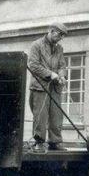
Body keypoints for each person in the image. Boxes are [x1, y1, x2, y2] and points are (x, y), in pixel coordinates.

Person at [28, 22, 68, 152]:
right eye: (59, 34)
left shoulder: (59, 48)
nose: (61, 37)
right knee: (40, 116)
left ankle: (55, 141)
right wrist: (50, 74)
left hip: (55, 87)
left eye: (63, 35)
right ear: (51, 31)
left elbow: (62, 65)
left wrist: (62, 76)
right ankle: (39, 141)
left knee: (56, 115)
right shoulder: (36, 45)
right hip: (40, 87)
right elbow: (33, 65)